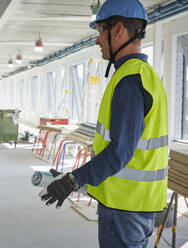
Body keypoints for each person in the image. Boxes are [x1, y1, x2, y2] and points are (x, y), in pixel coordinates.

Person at [39, 0, 168, 247]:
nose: (97, 40)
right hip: (136, 205)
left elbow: (119, 152)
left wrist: (71, 181)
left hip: (124, 209)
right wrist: (75, 176)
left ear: (118, 29)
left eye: (100, 31)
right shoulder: (145, 75)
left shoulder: (129, 80)